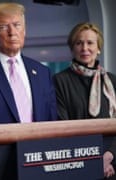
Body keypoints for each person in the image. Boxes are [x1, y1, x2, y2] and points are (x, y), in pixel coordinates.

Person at [53, 22, 116, 178]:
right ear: (72, 48)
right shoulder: (59, 81)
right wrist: (93, 160)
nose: (84, 48)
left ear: (99, 48)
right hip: (78, 161)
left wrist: (109, 156)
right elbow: (63, 127)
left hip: (113, 160)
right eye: (79, 43)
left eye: (90, 43)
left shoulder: (113, 81)